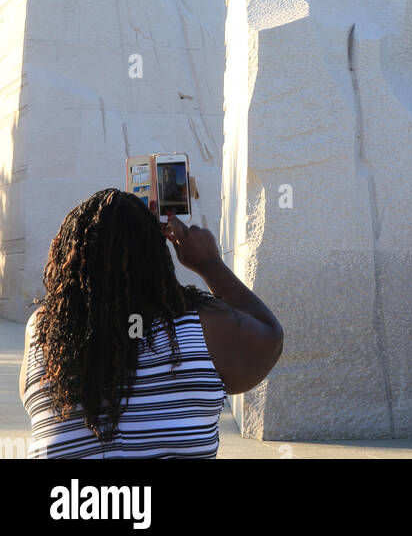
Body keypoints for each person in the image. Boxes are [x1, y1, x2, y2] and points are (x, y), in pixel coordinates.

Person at [20, 188, 283, 458]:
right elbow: (270, 336)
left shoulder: (43, 332)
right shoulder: (203, 327)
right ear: (157, 257)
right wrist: (210, 265)